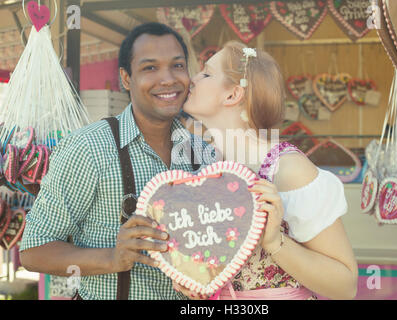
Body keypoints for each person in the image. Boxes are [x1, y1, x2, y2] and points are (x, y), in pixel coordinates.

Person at [19, 22, 213, 300]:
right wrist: (113, 258)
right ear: (125, 78)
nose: (168, 79)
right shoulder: (88, 147)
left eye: (177, 66)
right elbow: (34, 252)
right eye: (150, 68)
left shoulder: (202, 153)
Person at [177, 41, 358, 300]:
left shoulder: (288, 170)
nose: (192, 79)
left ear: (232, 95)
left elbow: (345, 286)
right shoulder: (206, 166)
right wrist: (200, 282)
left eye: (205, 73)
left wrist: (274, 243)